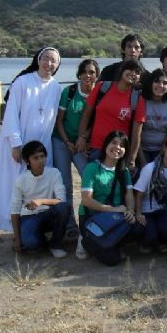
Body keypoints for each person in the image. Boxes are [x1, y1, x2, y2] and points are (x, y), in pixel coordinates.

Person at [0, 47, 62, 231]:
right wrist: (15, 144)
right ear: (38, 60)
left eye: (53, 61)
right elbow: (11, 114)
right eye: (45, 58)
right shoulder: (22, 82)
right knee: (16, 185)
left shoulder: (56, 88)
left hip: (42, 147)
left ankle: (36, 226)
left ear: (58, 65)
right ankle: (13, 226)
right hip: (20, 144)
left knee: (39, 185)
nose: (49, 63)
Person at [76, 131, 137, 265]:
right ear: (106, 145)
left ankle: (110, 243)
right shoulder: (92, 168)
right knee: (112, 260)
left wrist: (130, 211)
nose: (117, 147)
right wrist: (114, 209)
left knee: (139, 227)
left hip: (114, 217)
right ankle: (85, 240)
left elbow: (129, 195)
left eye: (122, 145)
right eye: (113, 143)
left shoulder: (124, 171)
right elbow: (86, 200)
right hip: (92, 216)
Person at [53, 58, 99, 236]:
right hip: (62, 141)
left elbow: (95, 122)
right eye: (84, 72)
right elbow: (59, 121)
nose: (88, 75)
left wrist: (83, 139)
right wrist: (67, 142)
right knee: (65, 183)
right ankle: (70, 225)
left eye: (92, 72)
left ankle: (91, 220)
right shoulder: (70, 91)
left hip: (81, 144)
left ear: (97, 75)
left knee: (88, 178)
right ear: (79, 74)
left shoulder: (98, 94)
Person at [76, 59, 146, 166]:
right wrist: (82, 138)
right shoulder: (102, 87)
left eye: (137, 72)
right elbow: (86, 115)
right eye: (130, 69)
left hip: (118, 152)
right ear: (122, 70)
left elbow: (137, 133)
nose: (133, 73)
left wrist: (132, 158)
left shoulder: (137, 98)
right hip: (96, 148)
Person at [10, 141, 71, 258]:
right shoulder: (21, 180)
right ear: (27, 161)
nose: (40, 160)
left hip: (49, 214)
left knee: (64, 207)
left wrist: (41, 201)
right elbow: (15, 210)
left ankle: (56, 245)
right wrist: (17, 238)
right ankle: (39, 240)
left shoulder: (54, 173)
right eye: (35, 158)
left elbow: (61, 200)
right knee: (31, 243)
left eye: (42, 156)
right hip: (29, 217)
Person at [132, 134, 167, 253]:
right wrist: (138, 213)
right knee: (148, 233)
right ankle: (145, 243)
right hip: (146, 210)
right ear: (164, 148)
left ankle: (161, 242)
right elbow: (138, 194)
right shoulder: (150, 168)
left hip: (165, 210)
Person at [138, 68, 167, 166]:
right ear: (150, 83)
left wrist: (160, 158)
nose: (161, 86)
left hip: (163, 150)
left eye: (165, 83)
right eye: (157, 81)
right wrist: (142, 161)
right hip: (140, 148)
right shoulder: (141, 99)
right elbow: (136, 132)